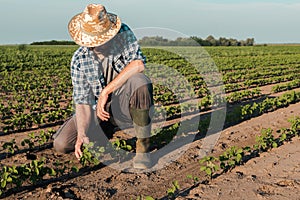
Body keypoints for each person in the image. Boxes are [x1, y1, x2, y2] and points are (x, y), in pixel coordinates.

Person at [53, 4, 153, 169]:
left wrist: (106, 91)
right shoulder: (79, 59)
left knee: (140, 82)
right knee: (62, 144)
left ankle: (143, 149)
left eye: (105, 36)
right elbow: (82, 102)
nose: (104, 41)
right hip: (96, 112)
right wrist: (82, 133)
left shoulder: (123, 34)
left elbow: (138, 64)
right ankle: (100, 134)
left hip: (122, 105)